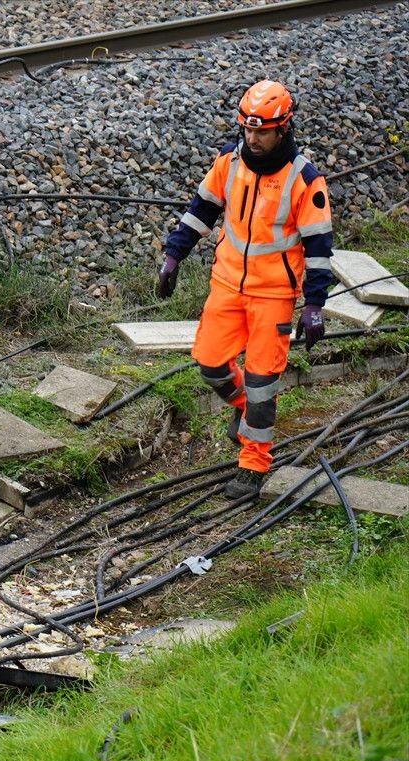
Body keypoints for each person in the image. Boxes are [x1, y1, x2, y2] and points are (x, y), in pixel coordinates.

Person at [158, 80, 334, 499]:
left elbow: (319, 248)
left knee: (261, 383)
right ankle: (244, 410)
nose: (253, 139)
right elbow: (201, 210)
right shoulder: (229, 162)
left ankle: (254, 463)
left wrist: (314, 305)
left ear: (284, 129)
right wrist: (173, 255)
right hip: (227, 284)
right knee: (210, 364)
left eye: (263, 132)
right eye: (248, 130)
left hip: (273, 295)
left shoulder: (304, 179)